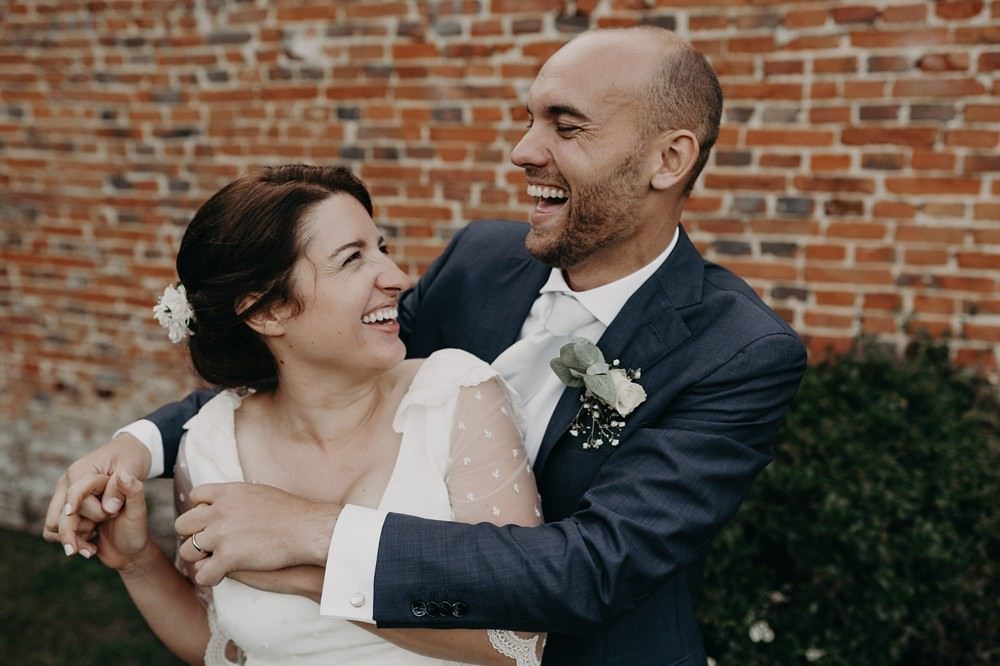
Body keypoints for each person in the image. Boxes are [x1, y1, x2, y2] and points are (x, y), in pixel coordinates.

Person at [45, 27, 807, 665]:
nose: (521, 151)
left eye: (565, 127)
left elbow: (592, 570)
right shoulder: (482, 261)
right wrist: (142, 443)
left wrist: (309, 535)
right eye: (529, 119)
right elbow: (312, 361)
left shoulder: (737, 352)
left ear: (667, 161)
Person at [60, 164, 546, 664]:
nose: (397, 277)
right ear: (268, 312)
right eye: (353, 259)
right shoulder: (211, 444)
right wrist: (138, 563)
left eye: (381, 247)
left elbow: (520, 642)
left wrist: (309, 576)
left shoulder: (455, 397)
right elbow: (225, 647)